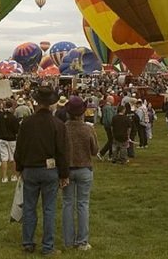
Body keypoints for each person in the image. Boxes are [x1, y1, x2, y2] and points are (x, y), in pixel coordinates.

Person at [15, 85, 68, 256]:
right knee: (49, 209)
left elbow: (20, 147)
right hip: (49, 170)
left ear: (37, 102)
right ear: (52, 104)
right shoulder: (58, 124)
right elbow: (62, 151)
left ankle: (28, 243)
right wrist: (64, 174)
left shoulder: (27, 123)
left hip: (30, 169)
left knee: (29, 207)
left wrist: (19, 167)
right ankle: (48, 246)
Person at [63, 95, 97, 251]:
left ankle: (68, 241)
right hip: (84, 168)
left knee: (67, 204)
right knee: (83, 205)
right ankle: (82, 241)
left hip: (67, 170)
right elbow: (94, 150)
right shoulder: (88, 129)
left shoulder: (63, 128)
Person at [0, 100, 20, 183]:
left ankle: (4, 177)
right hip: (12, 139)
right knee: (13, 158)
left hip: (2, 138)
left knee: (4, 158)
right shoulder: (13, 117)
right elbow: (16, 130)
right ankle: (14, 176)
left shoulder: (0, 116)